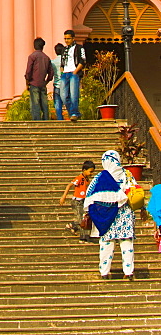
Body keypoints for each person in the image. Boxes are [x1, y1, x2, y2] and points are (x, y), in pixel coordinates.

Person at [84, 150, 136, 280]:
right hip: (125, 214)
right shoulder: (127, 174)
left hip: (105, 216)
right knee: (126, 243)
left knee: (106, 244)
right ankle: (128, 272)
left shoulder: (100, 177)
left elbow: (89, 196)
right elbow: (136, 191)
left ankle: (104, 272)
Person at [60, 159, 96, 241]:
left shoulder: (87, 180)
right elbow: (69, 185)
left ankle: (74, 228)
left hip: (83, 201)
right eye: (90, 171)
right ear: (84, 170)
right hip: (77, 201)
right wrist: (63, 196)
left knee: (84, 218)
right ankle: (80, 235)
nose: (91, 174)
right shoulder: (80, 178)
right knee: (81, 219)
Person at [59, 30, 86, 121]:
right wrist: (62, 72)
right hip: (65, 73)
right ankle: (74, 113)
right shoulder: (64, 49)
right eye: (65, 38)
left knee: (74, 94)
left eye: (68, 38)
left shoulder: (79, 48)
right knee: (63, 95)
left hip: (73, 73)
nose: (66, 40)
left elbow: (83, 61)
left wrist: (75, 71)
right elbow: (62, 63)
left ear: (73, 38)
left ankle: (74, 113)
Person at [24, 37, 53, 121]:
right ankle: (46, 120)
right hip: (42, 84)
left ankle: (37, 121)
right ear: (43, 46)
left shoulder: (32, 56)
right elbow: (51, 73)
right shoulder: (46, 58)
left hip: (34, 83)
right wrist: (46, 81)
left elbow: (28, 71)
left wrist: (27, 82)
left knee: (35, 103)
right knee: (44, 103)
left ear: (34, 46)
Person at [50, 43, 66, 120]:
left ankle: (60, 120)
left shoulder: (52, 62)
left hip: (57, 85)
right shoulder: (66, 62)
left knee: (58, 105)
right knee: (68, 103)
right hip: (65, 85)